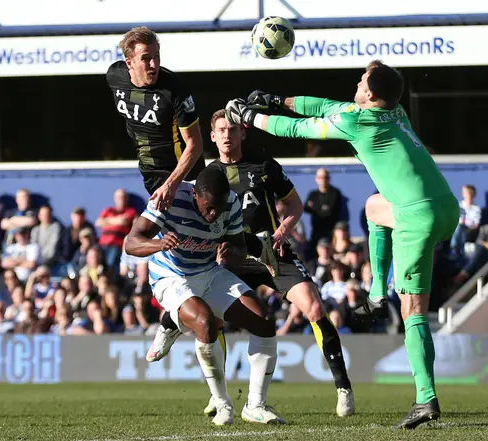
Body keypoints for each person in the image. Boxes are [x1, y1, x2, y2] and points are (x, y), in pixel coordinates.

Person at [224, 59, 459, 429]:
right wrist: (276, 99)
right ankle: (378, 292)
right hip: (446, 206)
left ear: (369, 93)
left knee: (414, 309)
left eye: (362, 79)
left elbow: (298, 129)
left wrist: (250, 117)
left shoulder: (356, 121)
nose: (357, 81)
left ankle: (425, 398)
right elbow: (323, 106)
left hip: (417, 217)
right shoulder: (393, 111)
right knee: (373, 206)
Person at [147, 110, 355, 420]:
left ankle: (343, 388)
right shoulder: (206, 175)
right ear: (212, 136)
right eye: (221, 130)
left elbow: (295, 205)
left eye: (232, 128)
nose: (227, 135)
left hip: (270, 250)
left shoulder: (264, 164)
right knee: (210, 317)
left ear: (243, 133)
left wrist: (285, 227)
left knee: (312, 307)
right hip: (229, 255)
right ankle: (215, 391)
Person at [124, 167, 281, 426]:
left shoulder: (229, 202)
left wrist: (233, 254)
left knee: (263, 321)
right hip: (171, 276)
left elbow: (239, 249)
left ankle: (255, 405)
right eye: (209, 207)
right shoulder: (170, 197)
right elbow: (131, 242)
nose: (213, 214)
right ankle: (222, 404)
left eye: (218, 208)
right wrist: (158, 244)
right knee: (205, 322)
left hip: (209, 272)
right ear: (195, 193)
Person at [106, 26, 204, 211]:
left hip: (183, 175)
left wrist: (171, 184)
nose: (153, 64)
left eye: (156, 56)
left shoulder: (175, 91)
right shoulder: (114, 76)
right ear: (129, 63)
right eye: (145, 58)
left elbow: (195, 144)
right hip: (150, 173)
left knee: (141, 236)